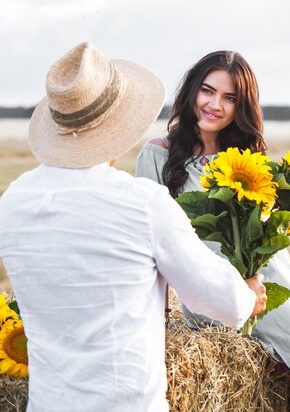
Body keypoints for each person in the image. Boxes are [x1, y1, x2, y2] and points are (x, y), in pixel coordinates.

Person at [0, 43, 268, 412]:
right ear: (120, 127)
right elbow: (220, 300)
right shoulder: (144, 204)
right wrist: (248, 296)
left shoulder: (13, 202)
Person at [136, 50, 290, 412]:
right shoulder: (158, 155)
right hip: (218, 293)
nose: (215, 104)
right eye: (207, 91)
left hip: (273, 284)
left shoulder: (246, 157)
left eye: (230, 98)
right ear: (191, 93)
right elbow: (149, 243)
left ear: (242, 106)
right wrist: (159, 323)